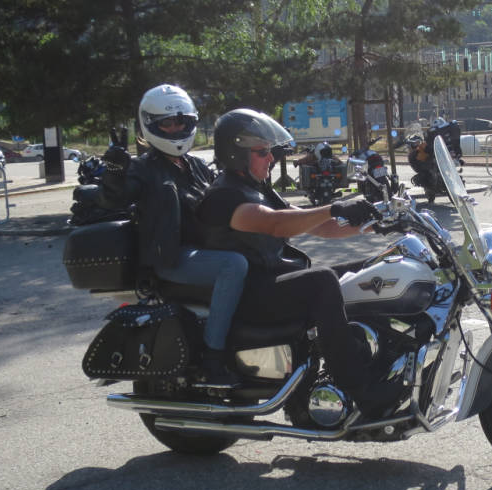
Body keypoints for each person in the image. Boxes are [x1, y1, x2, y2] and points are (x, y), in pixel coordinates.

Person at [197, 108, 399, 415]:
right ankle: (361, 388)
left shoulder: (257, 189)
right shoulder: (224, 196)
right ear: (236, 154)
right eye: (262, 152)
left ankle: (379, 360)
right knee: (322, 281)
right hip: (249, 293)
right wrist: (334, 207)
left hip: (271, 281)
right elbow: (276, 224)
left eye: (270, 151)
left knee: (366, 270)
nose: (271, 158)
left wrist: (377, 223)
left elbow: (321, 227)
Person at [98, 84, 248, 386]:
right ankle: (213, 357)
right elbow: (113, 199)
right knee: (233, 266)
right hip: (172, 256)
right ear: (150, 125)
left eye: (181, 122)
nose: (176, 128)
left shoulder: (195, 165)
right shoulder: (143, 168)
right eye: (167, 123)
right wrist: (114, 172)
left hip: (203, 248)